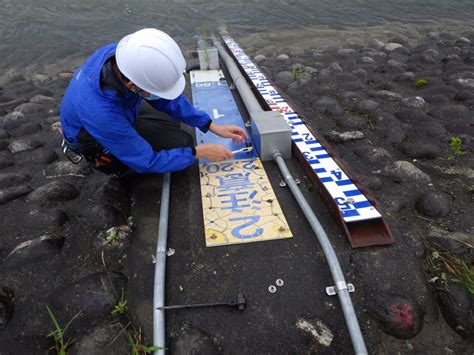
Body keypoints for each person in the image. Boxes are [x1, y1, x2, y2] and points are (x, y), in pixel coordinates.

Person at [60, 28, 247, 176]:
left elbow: (166, 99)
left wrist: (210, 125)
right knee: (183, 142)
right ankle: (116, 166)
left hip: (119, 109)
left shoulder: (123, 56)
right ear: (132, 85)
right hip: (95, 140)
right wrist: (198, 152)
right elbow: (146, 161)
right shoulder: (102, 114)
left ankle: (136, 135)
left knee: (172, 121)